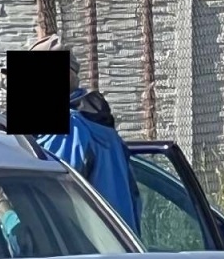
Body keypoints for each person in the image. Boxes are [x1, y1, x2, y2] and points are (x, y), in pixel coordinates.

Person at [28, 36, 143, 231]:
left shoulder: (68, 128)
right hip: (120, 248)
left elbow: (49, 200)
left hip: (86, 251)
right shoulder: (99, 126)